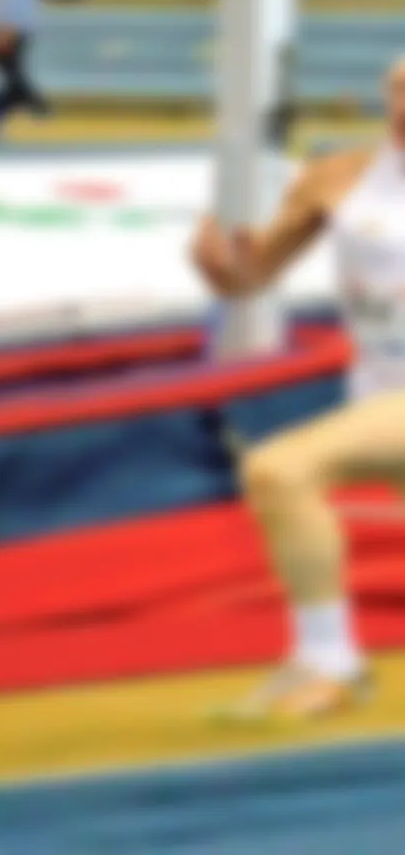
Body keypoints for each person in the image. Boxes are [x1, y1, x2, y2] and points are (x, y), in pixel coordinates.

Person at [193, 57, 405, 722]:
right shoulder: (337, 179)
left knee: (280, 470)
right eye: (399, 88)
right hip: (379, 396)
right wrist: (224, 269)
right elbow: (252, 278)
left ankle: (329, 663)